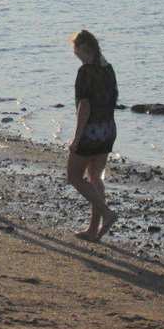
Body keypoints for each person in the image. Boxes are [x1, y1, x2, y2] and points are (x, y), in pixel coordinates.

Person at [67, 30, 120, 241]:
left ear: (81, 48)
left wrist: (76, 138)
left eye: (74, 48)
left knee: (74, 177)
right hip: (108, 129)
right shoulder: (108, 69)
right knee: (95, 177)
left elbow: (84, 107)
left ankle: (107, 213)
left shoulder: (85, 72)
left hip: (90, 132)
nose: (74, 53)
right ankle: (93, 229)